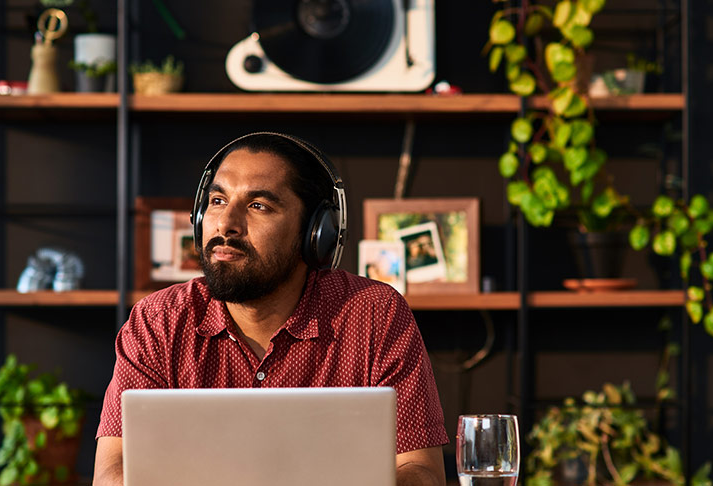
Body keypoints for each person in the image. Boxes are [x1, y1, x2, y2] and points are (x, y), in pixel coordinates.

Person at [93, 132, 448, 486]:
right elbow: (113, 473)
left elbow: (421, 471)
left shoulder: (373, 315)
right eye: (217, 200)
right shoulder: (158, 321)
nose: (226, 224)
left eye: (258, 205)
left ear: (315, 234)